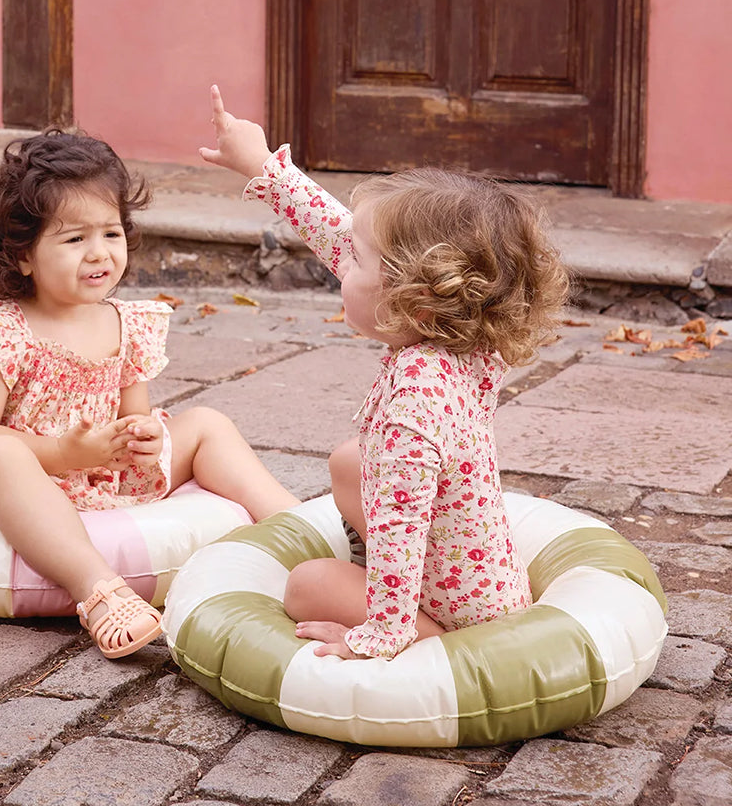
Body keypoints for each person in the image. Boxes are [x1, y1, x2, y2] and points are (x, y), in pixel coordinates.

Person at [199, 85, 569, 661]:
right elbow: (337, 234)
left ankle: (433, 639)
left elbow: (400, 521)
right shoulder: (470, 336)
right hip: (478, 576)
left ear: (413, 298)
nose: (341, 260)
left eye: (357, 259)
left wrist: (380, 634)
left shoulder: (415, 400)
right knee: (350, 461)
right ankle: (420, 614)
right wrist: (265, 168)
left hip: (460, 611)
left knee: (307, 584)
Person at [0, 129, 298, 659]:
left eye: (111, 233)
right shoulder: (4, 332)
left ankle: (301, 528)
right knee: (0, 454)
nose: (99, 253)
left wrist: (142, 436)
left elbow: (134, 413)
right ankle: (98, 591)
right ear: (24, 256)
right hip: (17, 477)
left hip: (100, 469)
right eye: (75, 240)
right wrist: (62, 453)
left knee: (207, 423)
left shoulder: (127, 322)